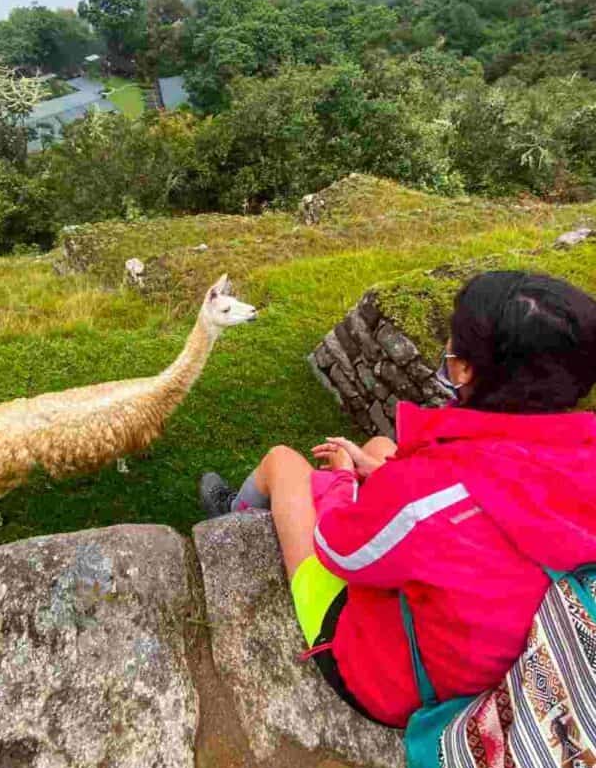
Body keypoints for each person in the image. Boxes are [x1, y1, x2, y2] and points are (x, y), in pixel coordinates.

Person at [199, 270, 596, 727]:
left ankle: (234, 513)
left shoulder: (426, 492)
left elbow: (337, 548)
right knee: (381, 448)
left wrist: (347, 482)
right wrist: (386, 473)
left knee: (284, 463)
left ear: (464, 368)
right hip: (498, 650)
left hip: (397, 680)